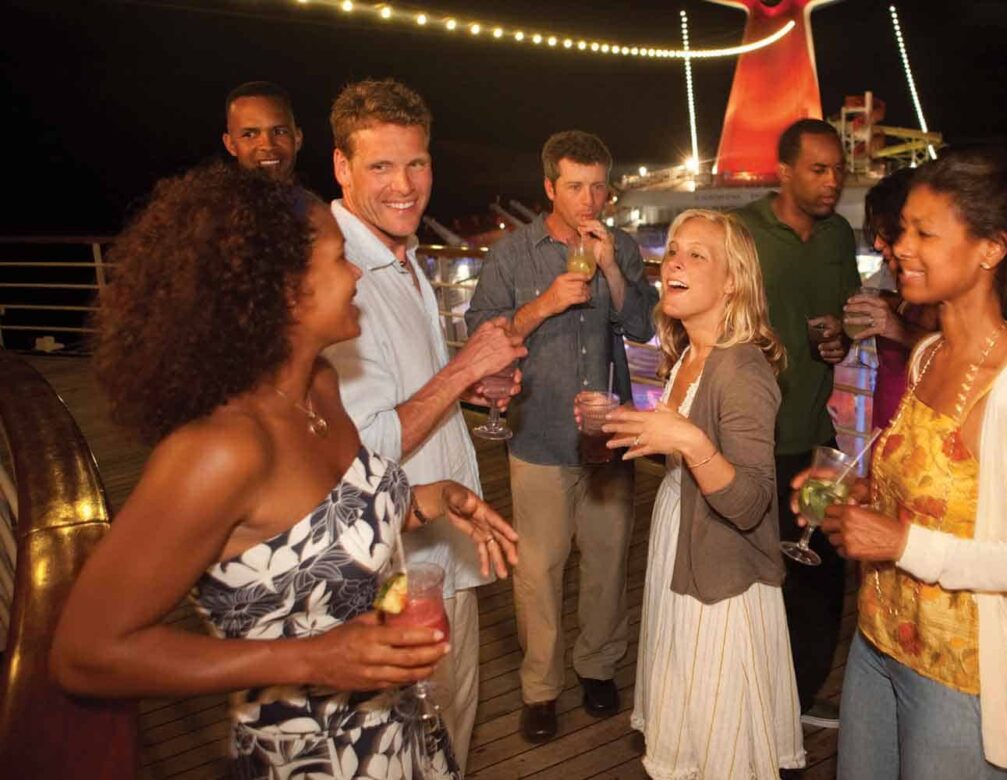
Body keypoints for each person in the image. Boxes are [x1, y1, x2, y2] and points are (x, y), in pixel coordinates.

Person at [48, 163, 519, 778]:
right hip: (310, 755)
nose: (355, 274)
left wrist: (433, 497)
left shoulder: (321, 388)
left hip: (400, 731)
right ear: (280, 288)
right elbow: (85, 653)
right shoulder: (220, 450)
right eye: (337, 259)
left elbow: (326, 526)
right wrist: (310, 661)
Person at [797, 146, 1007, 777]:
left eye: (924, 232)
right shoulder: (927, 355)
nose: (899, 247)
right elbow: (923, 493)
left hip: (960, 678)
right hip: (878, 644)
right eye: (902, 229)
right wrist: (853, 496)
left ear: (990, 249)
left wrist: (902, 542)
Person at [322, 77, 526, 769]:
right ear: (342, 167)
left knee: (447, 736)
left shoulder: (400, 257)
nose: (405, 185)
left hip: (439, 551)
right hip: (388, 573)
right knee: (409, 748)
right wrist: (466, 369)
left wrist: (471, 384)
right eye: (380, 165)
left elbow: (411, 394)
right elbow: (365, 446)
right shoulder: (336, 275)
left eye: (417, 163)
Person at [465, 130, 658, 742]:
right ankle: (539, 688)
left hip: (609, 437)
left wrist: (610, 269)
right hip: (539, 432)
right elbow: (482, 330)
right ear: (549, 187)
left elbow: (643, 326)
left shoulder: (619, 245)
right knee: (539, 571)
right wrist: (544, 304)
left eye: (599, 185)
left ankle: (598, 667)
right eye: (575, 186)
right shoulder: (513, 255)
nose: (590, 199)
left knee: (606, 563)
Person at [603, 209, 804, 777]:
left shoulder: (742, 370)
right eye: (671, 252)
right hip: (684, 538)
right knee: (692, 714)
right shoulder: (692, 353)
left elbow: (749, 504)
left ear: (733, 280)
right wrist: (626, 421)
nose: (675, 264)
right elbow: (680, 439)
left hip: (721, 571)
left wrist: (687, 440)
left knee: (722, 731)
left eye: (697, 255)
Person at [733, 117, 859, 727]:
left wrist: (842, 340)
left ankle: (799, 699)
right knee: (760, 577)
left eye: (838, 169)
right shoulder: (743, 232)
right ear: (784, 172)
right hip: (752, 440)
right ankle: (757, 701)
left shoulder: (838, 236)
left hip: (815, 438)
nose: (833, 180)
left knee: (824, 572)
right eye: (819, 168)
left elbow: (845, 319)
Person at [844, 167, 939, 430]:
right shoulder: (905, 292)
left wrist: (899, 329)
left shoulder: (944, 295)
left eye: (884, 230)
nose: (875, 244)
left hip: (919, 434)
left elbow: (959, 359)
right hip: (887, 429)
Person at [222, 80, 303, 182]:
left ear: (298, 139)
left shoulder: (311, 198)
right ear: (230, 144)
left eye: (279, 132)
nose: (268, 146)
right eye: (249, 135)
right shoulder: (207, 197)